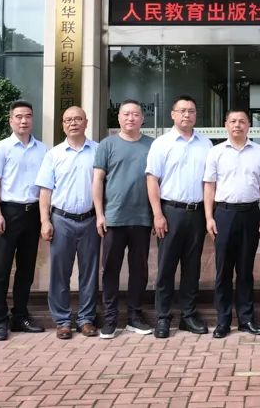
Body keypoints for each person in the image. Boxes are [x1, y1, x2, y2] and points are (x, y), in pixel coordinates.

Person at [202, 108, 260, 339]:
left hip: (250, 213)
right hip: (224, 214)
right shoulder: (216, 152)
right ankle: (223, 321)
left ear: (249, 125)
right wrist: (209, 217)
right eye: (233, 121)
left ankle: (246, 319)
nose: (237, 125)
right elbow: (209, 186)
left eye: (242, 121)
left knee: (245, 269)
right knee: (223, 270)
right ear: (226, 125)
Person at [146, 95, 213, 339]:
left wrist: (209, 215)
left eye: (191, 111)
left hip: (197, 213)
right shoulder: (161, 144)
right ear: (173, 114)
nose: (187, 115)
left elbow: (209, 182)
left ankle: (188, 315)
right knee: (166, 267)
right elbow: (152, 179)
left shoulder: (206, 144)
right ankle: (163, 317)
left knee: (192, 267)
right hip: (170, 212)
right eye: (182, 110)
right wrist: (157, 214)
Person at [36, 106, 99, 340]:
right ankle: (62, 320)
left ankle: (86, 319)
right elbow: (45, 190)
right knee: (60, 273)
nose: (73, 123)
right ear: (63, 125)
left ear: (86, 122)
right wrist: (45, 221)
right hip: (61, 219)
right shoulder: (53, 154)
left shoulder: (98, 151)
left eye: (78, 119)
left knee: (89, 272)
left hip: (90, 219)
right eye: (68, 120)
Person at [93, 99, 155, 339]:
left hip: (142, 217)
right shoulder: (107, 145)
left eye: (135, 114)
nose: (131, 118)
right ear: (118, 118)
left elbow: (157, 181)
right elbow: (98, 180)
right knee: (110, 269)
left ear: (142, 118)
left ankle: (134, 316)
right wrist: (100, 213)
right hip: (113, 218)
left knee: (139, 269)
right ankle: (110, 318)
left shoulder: (152, 145)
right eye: (126, 114)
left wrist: (156, 214)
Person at [0, 100, 48, 341]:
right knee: (2, 269)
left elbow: (45, 186)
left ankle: (20, 316)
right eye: (19, 116)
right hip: (8, 212)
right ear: (10, 120)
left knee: (26, 269)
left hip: (32, 213)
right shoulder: (1, 148)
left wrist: (44, 217)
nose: (24, 121)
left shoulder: (43, 149)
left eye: (28, 116)